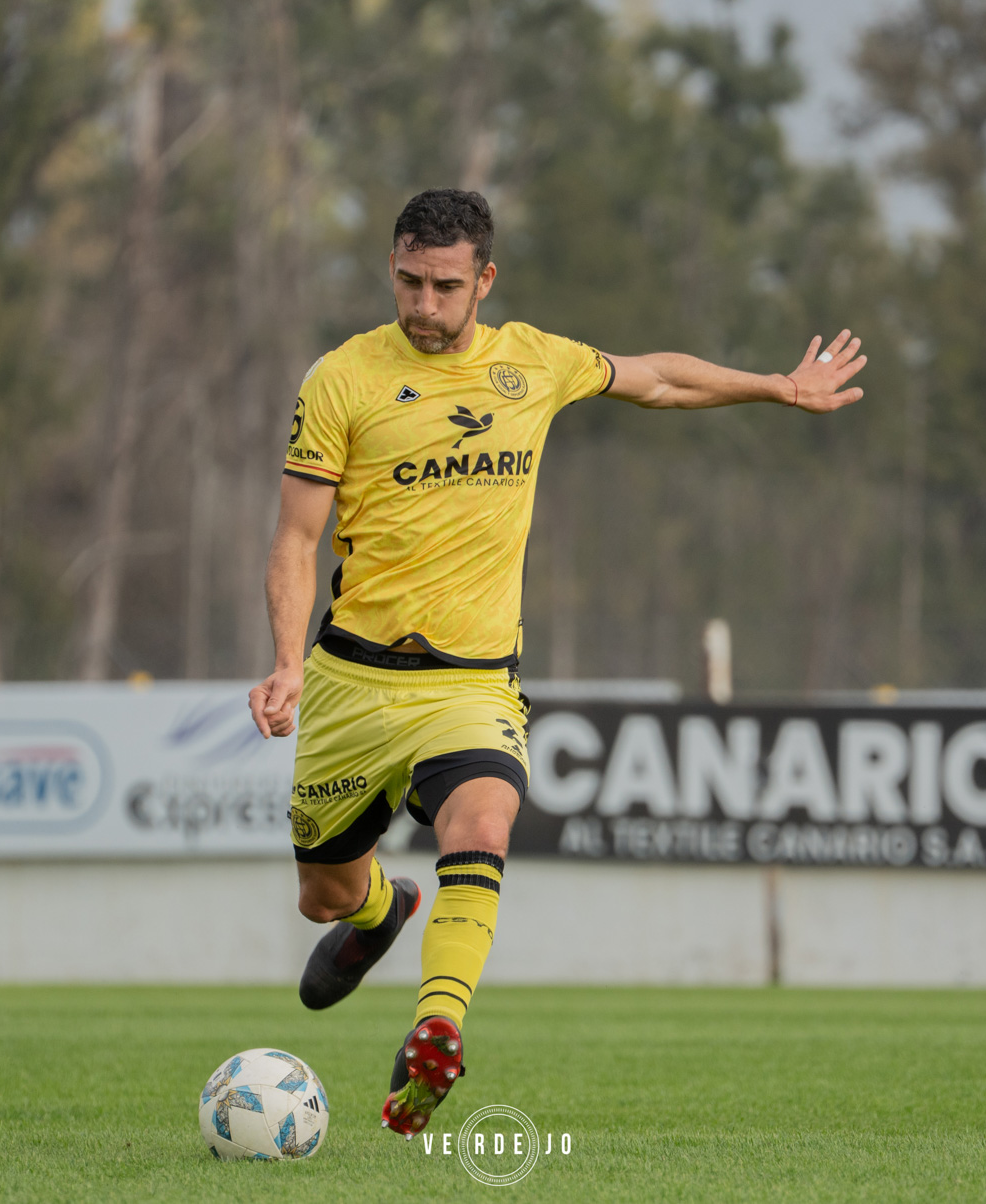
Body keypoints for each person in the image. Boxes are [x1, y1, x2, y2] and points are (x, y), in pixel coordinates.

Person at [248, 188, 866, 1136]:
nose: (423, 305)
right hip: (351, 678)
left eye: (445, 286)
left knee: (485, 824)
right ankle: (380, 909)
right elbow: (296, 540)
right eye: (409, 281)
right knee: (322, 893)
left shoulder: (531, 361)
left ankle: (435, 1034)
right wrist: (286, 662)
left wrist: (781, 388)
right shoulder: (340, 379)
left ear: (483, 281)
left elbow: (658, 378)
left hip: (472, 680)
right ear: (392, 269)